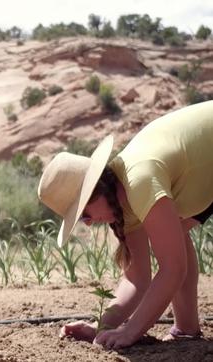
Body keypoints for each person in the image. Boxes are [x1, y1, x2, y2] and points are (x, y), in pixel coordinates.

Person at [38, 100, 213, 349]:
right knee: (174, 231)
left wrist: (129, 332)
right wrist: (102, 326)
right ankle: (186, 330)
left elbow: (173, 269)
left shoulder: (139, 182)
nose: (87, 224)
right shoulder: (124, 202)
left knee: (172, 245)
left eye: (83, 213)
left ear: (97, 190)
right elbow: (136, 280)